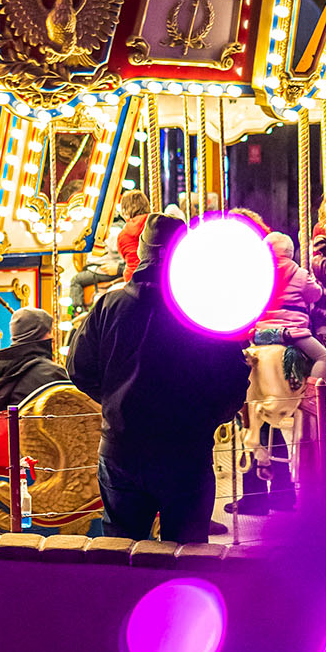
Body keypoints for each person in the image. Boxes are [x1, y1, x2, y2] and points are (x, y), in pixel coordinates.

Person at [69, 214, 249, 543]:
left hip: (122, 447)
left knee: (122, 552)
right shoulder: (204, 310)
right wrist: (207, 418)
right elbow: (234, 378)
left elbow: (79, 368)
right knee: (188, 555)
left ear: (140, 252)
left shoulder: (110, 304)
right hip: (186, 450)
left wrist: (114, 399)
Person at [255, 232, 326, 380]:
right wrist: (317, 284)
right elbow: (315, 295)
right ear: (290, 253)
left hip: (261, 333)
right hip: (292, 333)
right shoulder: (299, 274)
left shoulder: (259, 274)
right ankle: (313, 397)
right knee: (324, 357)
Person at [0, 308, 70, 413]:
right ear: (37, 333)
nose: (52, 337)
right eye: (49, 332)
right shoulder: (52, 373)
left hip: (2, 429)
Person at [64, 235, 124, 316]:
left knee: (76, 280)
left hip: (103, 270)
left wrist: (118, 267)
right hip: (101, 267)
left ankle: (77, 311)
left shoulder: (113, 232)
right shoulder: (107, 232)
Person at [114, 190, 151, 278]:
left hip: (133, 279)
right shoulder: (155, 224)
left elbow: (123, 255)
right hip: (157, 277)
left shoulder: (123, 234)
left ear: (125, 210)